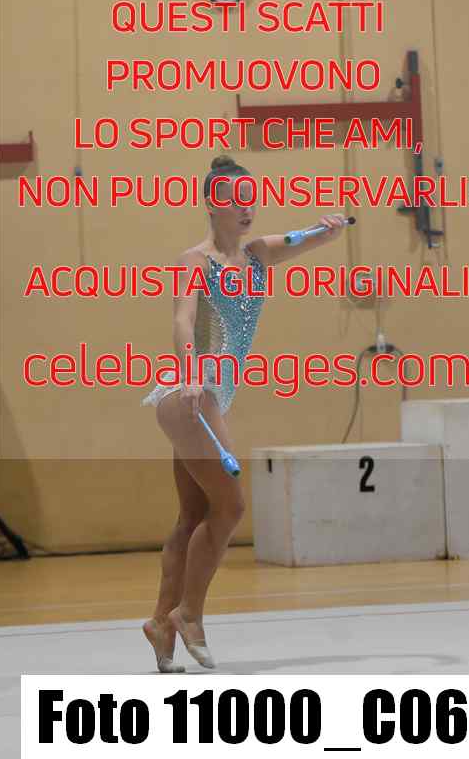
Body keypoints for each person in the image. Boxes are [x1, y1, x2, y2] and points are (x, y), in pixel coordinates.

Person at [141, 154, 345, 671]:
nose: (247, 207)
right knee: (230, 508)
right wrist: (190, 372)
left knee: (193, 517)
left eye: (251, 197)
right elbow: (183, 319)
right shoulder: (195, 261)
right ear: (213, 205)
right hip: (192, 393)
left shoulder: (258, 254)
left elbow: (304, 240)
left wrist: (329, 229)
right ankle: (190, 614)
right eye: (235, 199)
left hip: (209, 398)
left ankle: (161, 623)